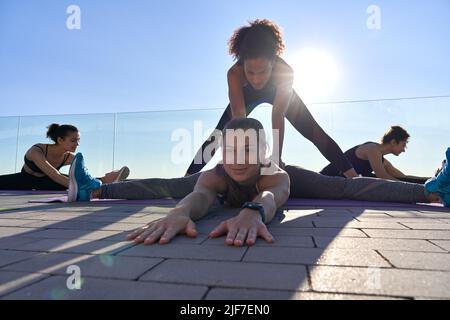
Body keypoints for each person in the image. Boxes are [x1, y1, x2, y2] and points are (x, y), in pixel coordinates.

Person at [67, 118, 450, 247]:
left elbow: (275, 194)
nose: (237, 160)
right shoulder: (216, 173)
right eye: (230, 150)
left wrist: (254, 211)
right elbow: (200, 196)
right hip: (222, 191)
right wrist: (180, 212)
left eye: (247, 151)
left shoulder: (275, 171)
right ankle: (94, 189)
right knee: (170, 184)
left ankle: (432, 191)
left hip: (290, 182)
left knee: (345, 188)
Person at [185, 19, 358, 178]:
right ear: (243, 64)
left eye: (262, 72)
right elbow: (240, 121)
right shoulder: (234, 74)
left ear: (273, 63)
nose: (256, 79)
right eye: (250, 72)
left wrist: (276, 157)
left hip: (278, 93)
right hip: (247, 96)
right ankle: (186, 178)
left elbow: (277, 115)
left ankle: (354, 177)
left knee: (314, 131)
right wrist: (241, 161)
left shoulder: (285, 72)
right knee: (218, 134)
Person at [0, 123, 129, 190]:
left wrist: (87, 183)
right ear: (60, 140)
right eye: (73, 141)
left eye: (78, 140)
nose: (77, 144)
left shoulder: (70, 157)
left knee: (78, 180)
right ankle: (100, 184)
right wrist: (78, 188)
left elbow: (83, 176)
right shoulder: (37, 150)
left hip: (48, 183)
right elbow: (55, 174)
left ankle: (108, 179)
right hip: (24, 180)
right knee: (74, 183)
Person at [320, 126, 431, 183]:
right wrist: (411, 188)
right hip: (326, 180)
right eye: (403, 145)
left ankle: (437, 180)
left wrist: (428, 181)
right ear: (393, 142)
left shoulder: (382, 160)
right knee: (374, 179)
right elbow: (382, 176)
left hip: (345, 183)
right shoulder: (372, 149)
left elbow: (402, 178)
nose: (404, 150)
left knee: (401, 181)